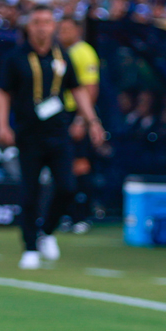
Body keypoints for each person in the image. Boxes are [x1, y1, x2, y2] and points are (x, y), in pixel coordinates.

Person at [0, 5, 106, 270]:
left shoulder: (62, 57)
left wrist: (91, 121)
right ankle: (30, 247)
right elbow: (2, 92)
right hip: (28, 134)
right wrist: (2, 124)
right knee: (30, 192)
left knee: (67, 187)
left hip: (58, 132)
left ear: (53, 26)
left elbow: (78, 89)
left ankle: (47, 231)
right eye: (37, 22)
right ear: (29, 27)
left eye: (46, 22)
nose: (42, 27)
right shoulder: (16, 57)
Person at [57, 18, 101, 233]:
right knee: (63, 164)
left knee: (80, 164)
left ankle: (82, 215)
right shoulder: (60, 52)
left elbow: (90, 88)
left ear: (78, 30)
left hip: (77, 113)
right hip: (61, 113)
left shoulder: (84, 52)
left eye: (67, 29)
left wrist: (82, 120)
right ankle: (66, 213)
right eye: (61, 29)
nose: (62, 32)